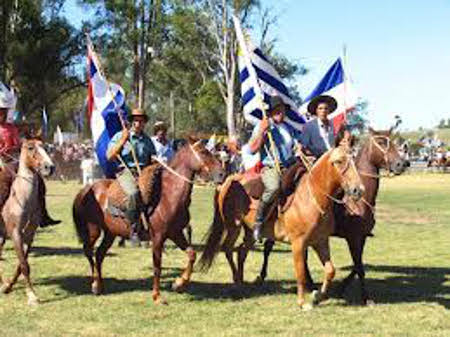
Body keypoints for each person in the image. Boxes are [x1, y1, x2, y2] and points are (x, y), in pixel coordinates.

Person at [0, 83, 60, 227]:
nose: (2, 113)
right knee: (3, 186)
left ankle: (43, 215)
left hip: (15, 161)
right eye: (1, 110)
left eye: (4, 111)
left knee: (39, 183)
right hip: (2, 162)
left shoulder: (12, 127)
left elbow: (20, 144)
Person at [249, 96, 301, 241]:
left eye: (282, 110)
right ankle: (259, 222)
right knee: (273, 187)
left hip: (290, 166)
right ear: (271, 112)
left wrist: (300, 148)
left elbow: (296, 146)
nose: (281, 113)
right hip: (271, 166)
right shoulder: (264, 126)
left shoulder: (288, 128)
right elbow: (252, 149)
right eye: (277, 111)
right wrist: (262, 132)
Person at [107, 108, 156, 246]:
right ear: (131, 122)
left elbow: (152, 157)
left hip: (145, 172)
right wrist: (122, 141)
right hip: (126, 171)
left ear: (145, 123)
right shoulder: (120, 136)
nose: (138, 123)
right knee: (134, 193)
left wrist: (155, 161)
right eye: (135, 120)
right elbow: (109, 155)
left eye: (141, 121)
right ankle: (133, 230)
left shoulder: (147, 140)